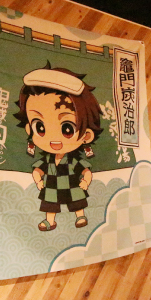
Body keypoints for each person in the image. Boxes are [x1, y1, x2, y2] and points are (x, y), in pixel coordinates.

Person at [14, 62, 103, 231]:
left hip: (72, 185)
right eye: (40, 127)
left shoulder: (73, 160)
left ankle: (80, 216)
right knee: (49, 203)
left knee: (77, 200)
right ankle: (50, 221)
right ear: (29, 129)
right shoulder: (47, 159)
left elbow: (86, 171)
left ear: (86, 135)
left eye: (67, 129)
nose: (53, 139)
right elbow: (38, 170)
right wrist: (38, 179)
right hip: (51, 187)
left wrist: (85, 181)